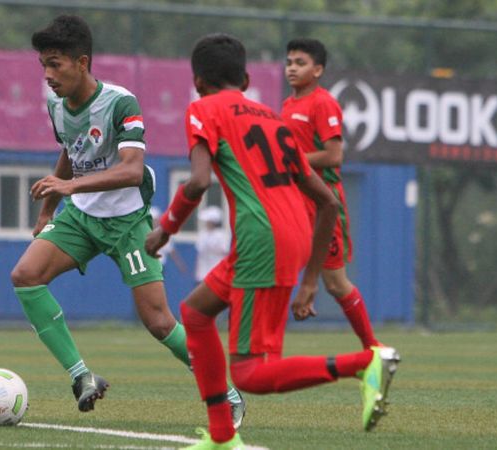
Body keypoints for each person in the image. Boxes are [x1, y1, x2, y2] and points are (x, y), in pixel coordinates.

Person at [145, 34, 400, 449]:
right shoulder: (271, 117)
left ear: (197, 81)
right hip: (294, 231)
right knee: (194, 314)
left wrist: (166, 229)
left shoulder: (203, 108)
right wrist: (312, 278)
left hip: (261, 239)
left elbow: (198, 180)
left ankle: (364, 363)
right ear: (245, 79)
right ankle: (223, 437)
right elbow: (329, 202)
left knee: (249, 373)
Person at [10, 15, 245, 424]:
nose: (48, 75)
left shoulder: (121, 102)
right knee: (25, 276)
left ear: (82, 62)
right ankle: (82, 377)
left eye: (55, 64)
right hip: (80, 218)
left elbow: (133, 169)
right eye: (43, 65)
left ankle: (222, 390)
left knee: (157, 321)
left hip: (127, 221)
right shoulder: (56, 106)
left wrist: (68, 189)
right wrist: (48, 209)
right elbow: (71, 147)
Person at [281, 38, 383, 349]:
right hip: (294, 199)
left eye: (300, 63)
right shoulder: (288, 105)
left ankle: (373, 347)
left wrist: (287, 161)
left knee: (336, 283)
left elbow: (333, 155)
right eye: (289, 62)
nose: (292, 68)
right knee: (276, 262)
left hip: (322, 201)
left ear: (318, 69)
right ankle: (263, 345)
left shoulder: (323, 103)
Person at [193, 206, 229, 283]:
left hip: (217, 273)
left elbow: (225, 252)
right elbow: (199, 253)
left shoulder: (221, 235)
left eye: (208, 221)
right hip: (202, 274)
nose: (207, 223)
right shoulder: (203, 234)